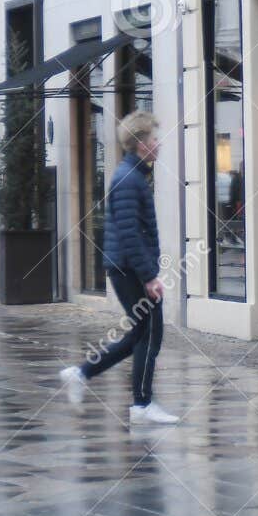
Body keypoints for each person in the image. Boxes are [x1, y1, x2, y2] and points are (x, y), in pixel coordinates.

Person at [59, 111, 178, 425]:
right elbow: (129, 234)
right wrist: (149, 276)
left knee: (141, 333)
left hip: (126, 267)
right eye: (154, 138)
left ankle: (82, 374)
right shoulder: (129, 179)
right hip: (129, 268)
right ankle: (141, 405)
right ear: (141, 143)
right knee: (150, 334)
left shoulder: (133, 175)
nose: (159, 142)